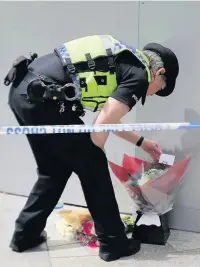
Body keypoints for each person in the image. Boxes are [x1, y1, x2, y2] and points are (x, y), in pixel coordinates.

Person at [4, 34, 179, 262]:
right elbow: (103, 123)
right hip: (45, 98)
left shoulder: (124, 61)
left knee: (53, 170)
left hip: (24, 91)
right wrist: (94, 157)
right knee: (93, 165)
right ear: (160, 73)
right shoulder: (139, 75)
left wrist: (142, 142)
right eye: (160, 88)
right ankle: (113, 242)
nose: (154, 93)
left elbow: (108, 117)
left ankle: (25, 235)